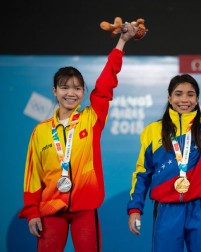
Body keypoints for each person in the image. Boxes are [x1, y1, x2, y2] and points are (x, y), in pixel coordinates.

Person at [18, 23, 139, 251]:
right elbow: (33, 176)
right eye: (64, 88)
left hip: (85, 209)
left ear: (83, 92)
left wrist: (121, 43)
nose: (70, 93)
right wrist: (32, 212)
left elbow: (105, 85)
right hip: (51, 210)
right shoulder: (41, 131)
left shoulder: (91, 119)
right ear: (55, 91)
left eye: (77, 88)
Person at [127, 69, 201, 251]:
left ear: (197, 99)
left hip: (200, 207)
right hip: (167, 208)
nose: (184, 99)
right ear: (169, 98)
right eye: (178, 94)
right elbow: (142, 173)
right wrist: (135, 209)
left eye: (190, 94)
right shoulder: (152, 131)